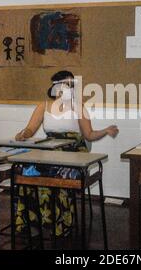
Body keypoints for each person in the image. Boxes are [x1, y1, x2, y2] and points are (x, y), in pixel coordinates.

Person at [14, 70, 119, 237]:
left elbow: (89, 135)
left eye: (72, 85)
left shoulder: (79, 107)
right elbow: (30, 129)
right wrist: (23, 134)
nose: (69, 88)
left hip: (74, 153)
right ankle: (31, 221)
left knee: (59, 173)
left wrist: (105, 131)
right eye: (66, 84)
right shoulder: (44, 106)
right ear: (55, 87)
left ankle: (62, 224)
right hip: (49, 151)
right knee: (25, 170)